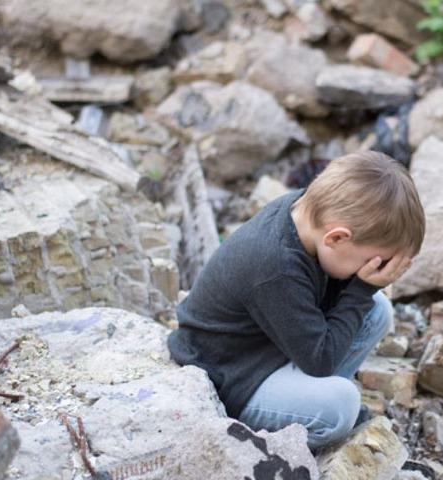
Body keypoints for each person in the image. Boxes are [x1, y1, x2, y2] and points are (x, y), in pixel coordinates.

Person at [167, 151, 426, 450]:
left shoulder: (307, 213)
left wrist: (363, 287)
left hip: (265, 349)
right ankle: (280, 433)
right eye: (371, 261)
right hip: (228, 378)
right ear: (337, 238)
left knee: (377, 310)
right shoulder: (274, 265)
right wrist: (361, 288)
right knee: (340, 406)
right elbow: (320, 360)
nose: (372, 270)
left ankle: (306, 397)